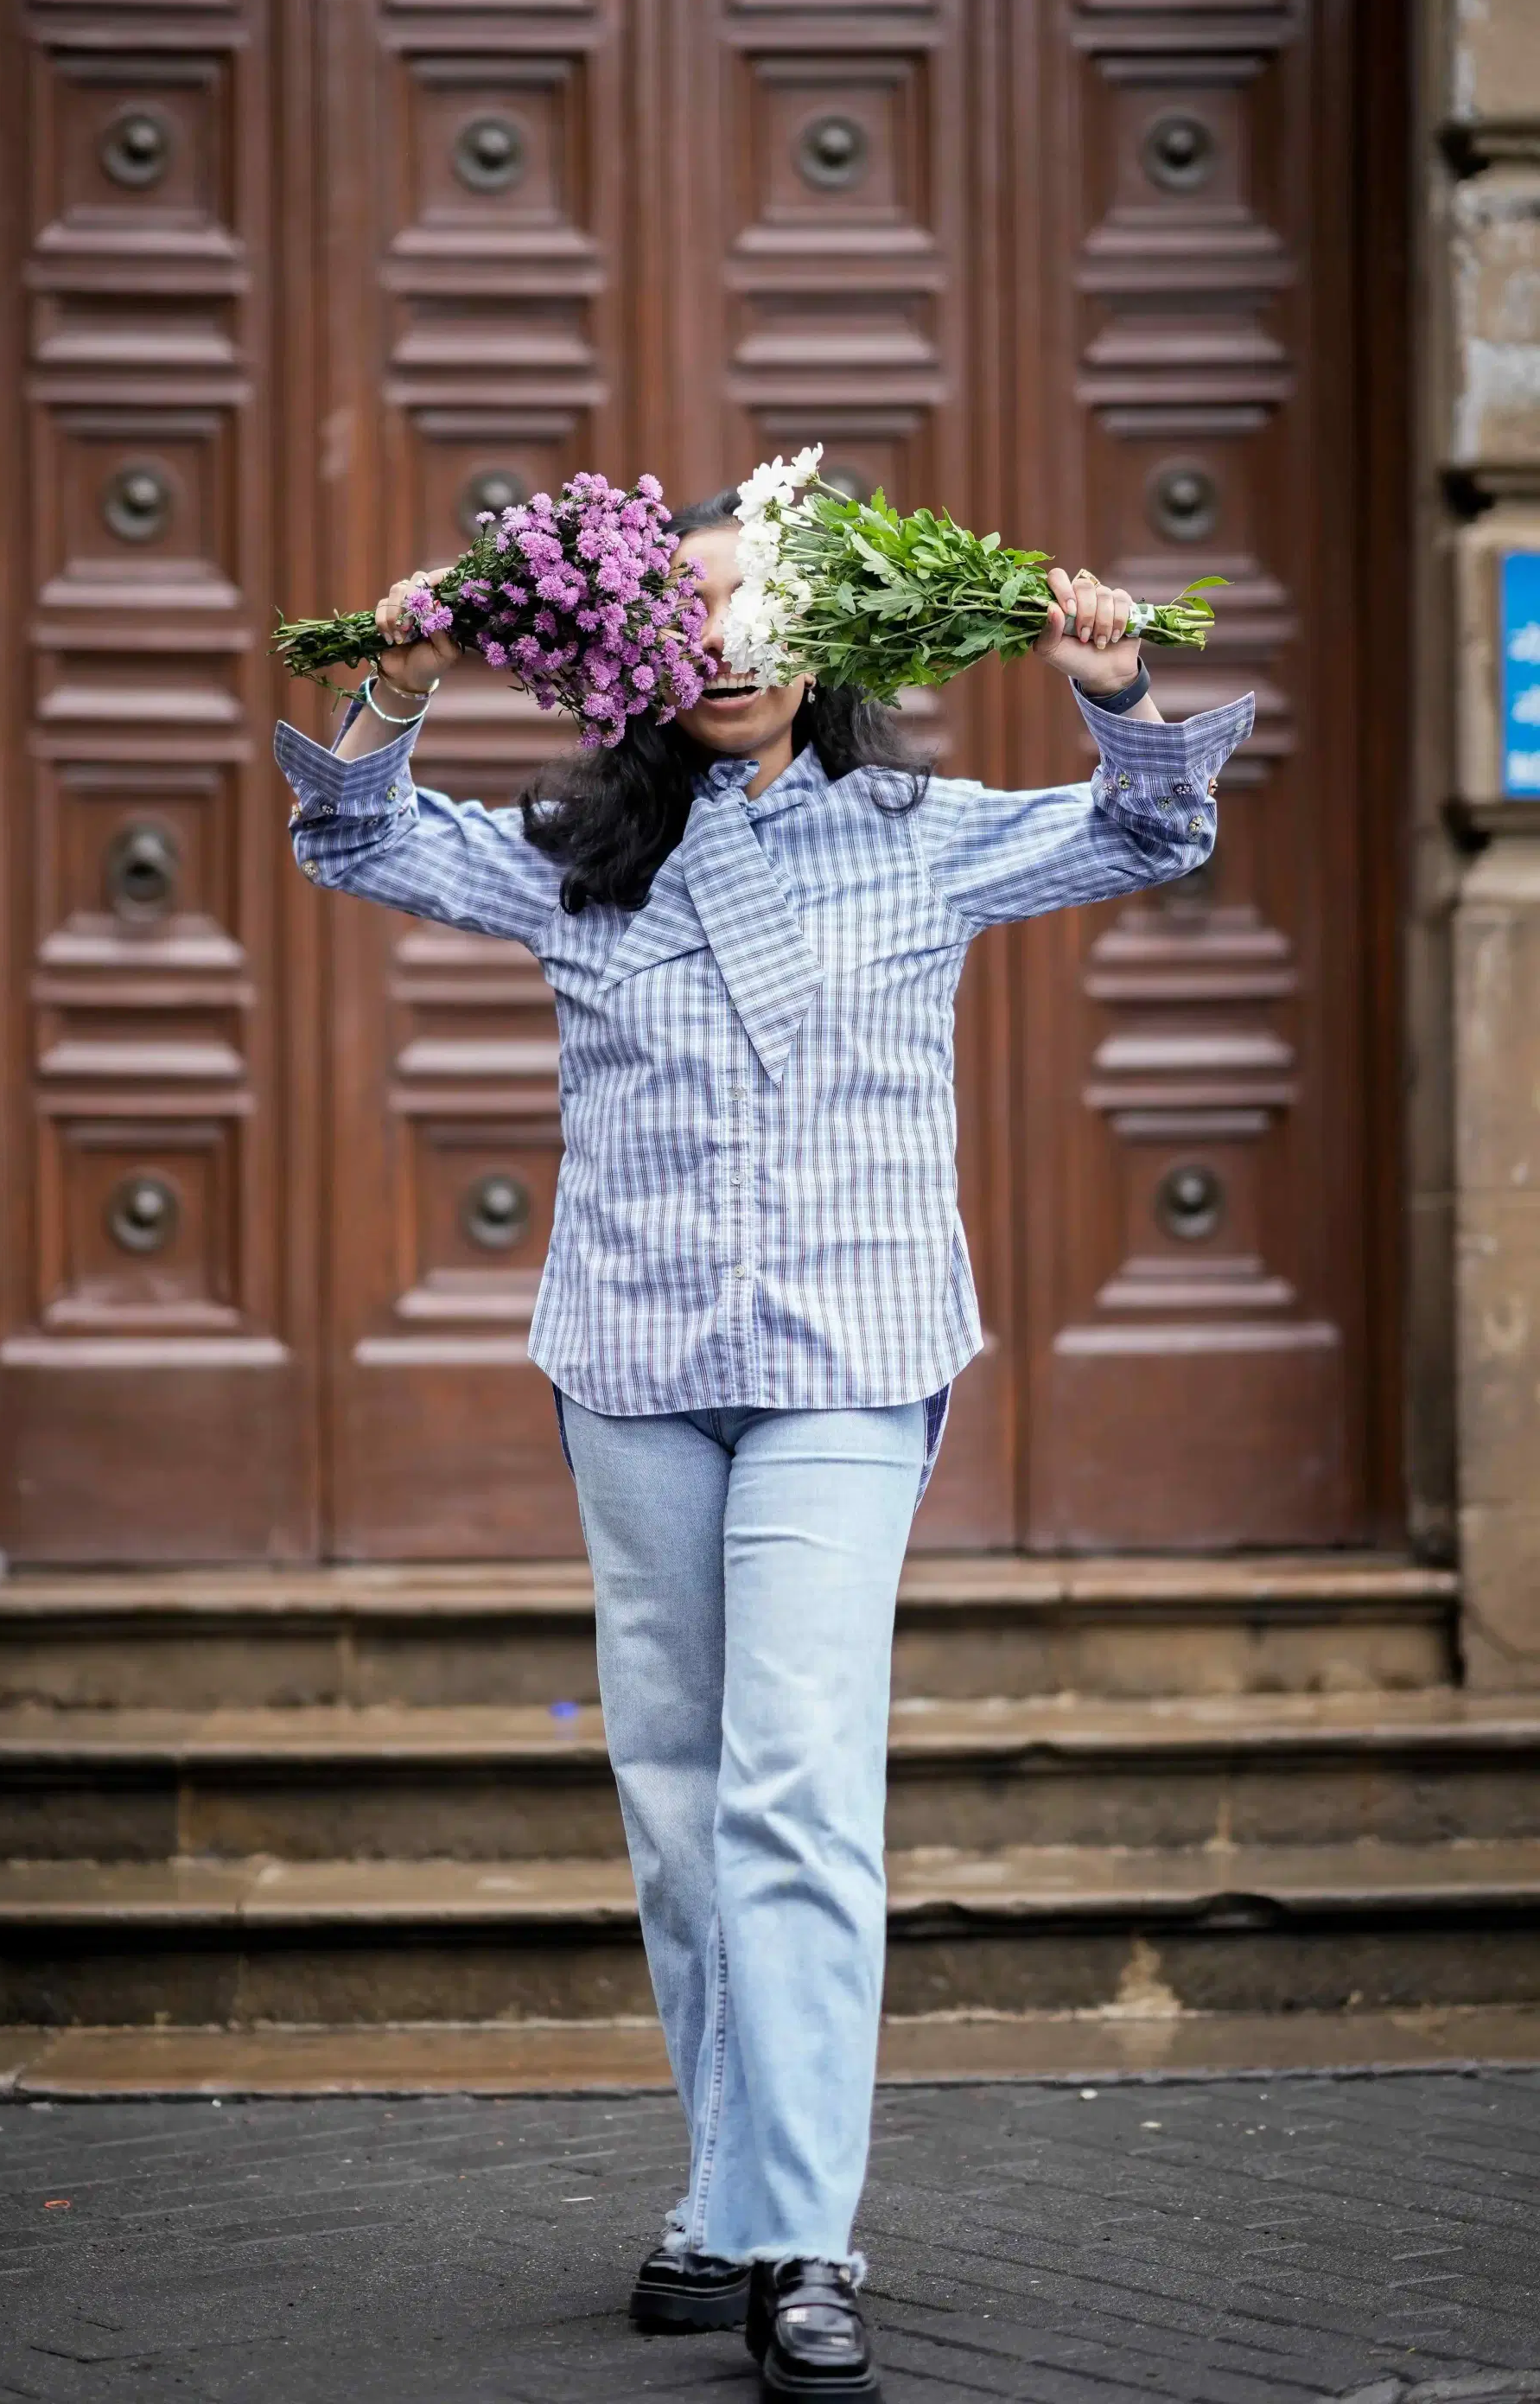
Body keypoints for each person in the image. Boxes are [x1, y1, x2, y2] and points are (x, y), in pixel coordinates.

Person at [276, 487, 1254, 2400]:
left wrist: (1113, 685)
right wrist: (396, 689)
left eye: (754, 609)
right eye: (685, 615)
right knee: (677, 1806)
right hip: (633, 1365)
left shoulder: (921, 834)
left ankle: (802, 2234)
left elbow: (1150, 825)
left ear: (825, 635)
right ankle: (725, 2187)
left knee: (792, 1781)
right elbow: (352, 837)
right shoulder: (574, 854)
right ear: (627, 650)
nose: (722, 645)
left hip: (847, 1358)